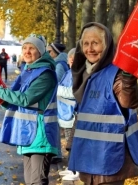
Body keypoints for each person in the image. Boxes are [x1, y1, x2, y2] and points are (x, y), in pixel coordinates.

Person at [66, 22, 138, 185]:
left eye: (95, 43)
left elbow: (128, 100)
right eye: (86, 43)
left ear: (107, 45)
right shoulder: (84, 73)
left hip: (110, 158)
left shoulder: (116, 73)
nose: (90, 49)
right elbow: (83, 114)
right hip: (88, 156)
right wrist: (72, 146)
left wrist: (128, 77)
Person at [0, 34, 60, 185]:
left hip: (41, 136)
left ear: (41, 52)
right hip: (28, 134)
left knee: (36, 182)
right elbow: (13, 101)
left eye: (31, 48)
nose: (27, 51)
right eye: (24, 48)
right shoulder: (27, 71)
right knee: (31, 182)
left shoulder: (46, 74)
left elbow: (25, 99)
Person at [56, 48, 80, 181]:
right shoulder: (68, 72)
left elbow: (74, 92)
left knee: (72, 143)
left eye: (74, 58)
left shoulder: (77, 74)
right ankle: (71, 167)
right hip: (65, 113)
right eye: (70, 58)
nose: (71, 60)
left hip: (71, 113)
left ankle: (74, 169)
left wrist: (57, 89)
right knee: (69, 140)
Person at [47, 43, 69, 164]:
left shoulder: (59, 65)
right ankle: (56, 154)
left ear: (55, 52)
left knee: (56, 128)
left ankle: (57, 155)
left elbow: (56, 83)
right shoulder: (59, 63)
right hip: (61, 101)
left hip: (59, 101)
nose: (48, 53)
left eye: (50, 51)